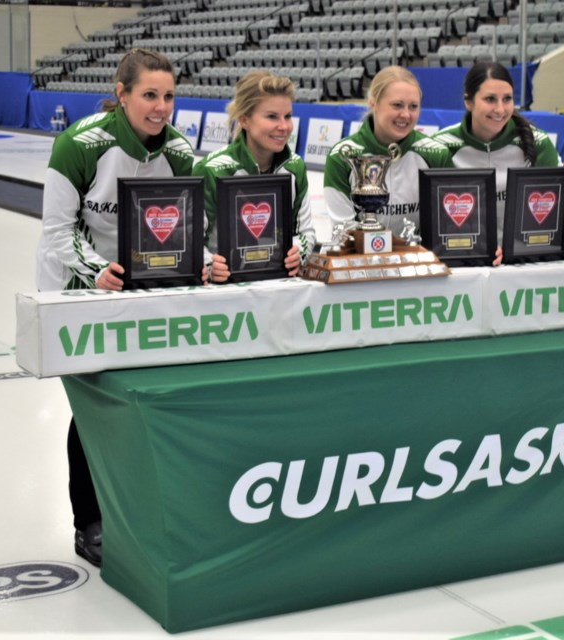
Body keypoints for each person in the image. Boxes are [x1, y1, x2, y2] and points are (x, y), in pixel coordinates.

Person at [35, 48, 200, 567]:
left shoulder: (179, 148)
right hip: (77, 287)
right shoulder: (78, 145)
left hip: (140, 287)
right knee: (93, 407)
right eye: (149, 95)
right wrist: (96, 272)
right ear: (122, 93)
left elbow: (189, 226)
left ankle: (144, 511)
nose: (161, 107)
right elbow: (57, 232)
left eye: (168, 96)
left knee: (144, 398)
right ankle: (90, 522)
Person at [433, 61, 564, 265]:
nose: (500, 109)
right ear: (468, 102)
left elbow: (551, 212)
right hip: (464, 262)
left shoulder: (537, 142)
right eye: (490, 99)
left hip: (523, 261)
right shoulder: (440, 145)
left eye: (507, 99)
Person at [193, 70, 315, 279]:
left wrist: (298, 253)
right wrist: (210, 265)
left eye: (287, 116)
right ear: (245, 120)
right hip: (226, 291)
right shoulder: (212, 169)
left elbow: (306, 233)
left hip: (279, 284)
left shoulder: (295, 167)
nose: (284, 126)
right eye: (272, 117)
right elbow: (192, 241)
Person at [323, 65, 451, 238]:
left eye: (413, 106)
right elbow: (344, 232)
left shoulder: (436, 155)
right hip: (362, 261)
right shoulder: (341, 156)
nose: (406, 115)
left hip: (417, 261)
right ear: (373, 103)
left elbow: (446, 226)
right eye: (397, 105)